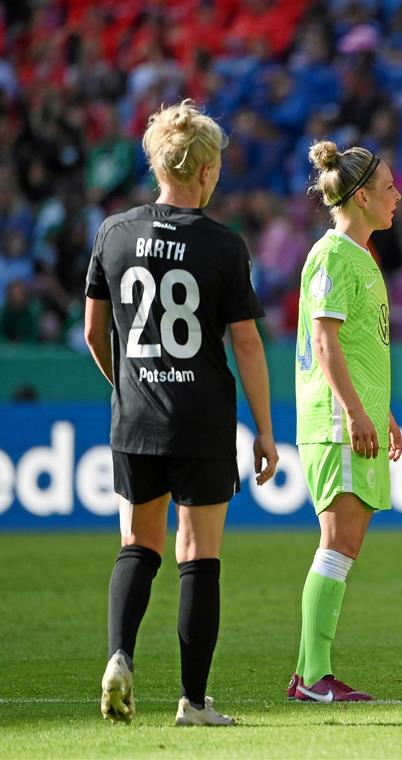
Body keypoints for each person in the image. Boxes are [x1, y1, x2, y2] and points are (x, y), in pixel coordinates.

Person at [84, 100, 278, 727]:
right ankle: (193, 701)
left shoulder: (113, 231)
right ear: (207, 169)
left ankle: (119, 655)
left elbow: (93, 331)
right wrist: (266, 431)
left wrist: (131, 385)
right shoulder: (223, 246)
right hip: (203, 420)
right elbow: (245, 342)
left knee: (139, 544)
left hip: (135, 418)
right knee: (199, 555)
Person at [286, 139, 402, 703]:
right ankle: (312, 677)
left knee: (345, 540)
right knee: (338, 540)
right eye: (387, 189)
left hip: (354, 414)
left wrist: (383, 412)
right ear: (360, 198)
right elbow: (324, 342)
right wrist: (357, 413)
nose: (398, 196)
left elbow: (358, 346)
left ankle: (310, 671)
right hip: (335, 418)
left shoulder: (359, 256)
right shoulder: (333, 254)